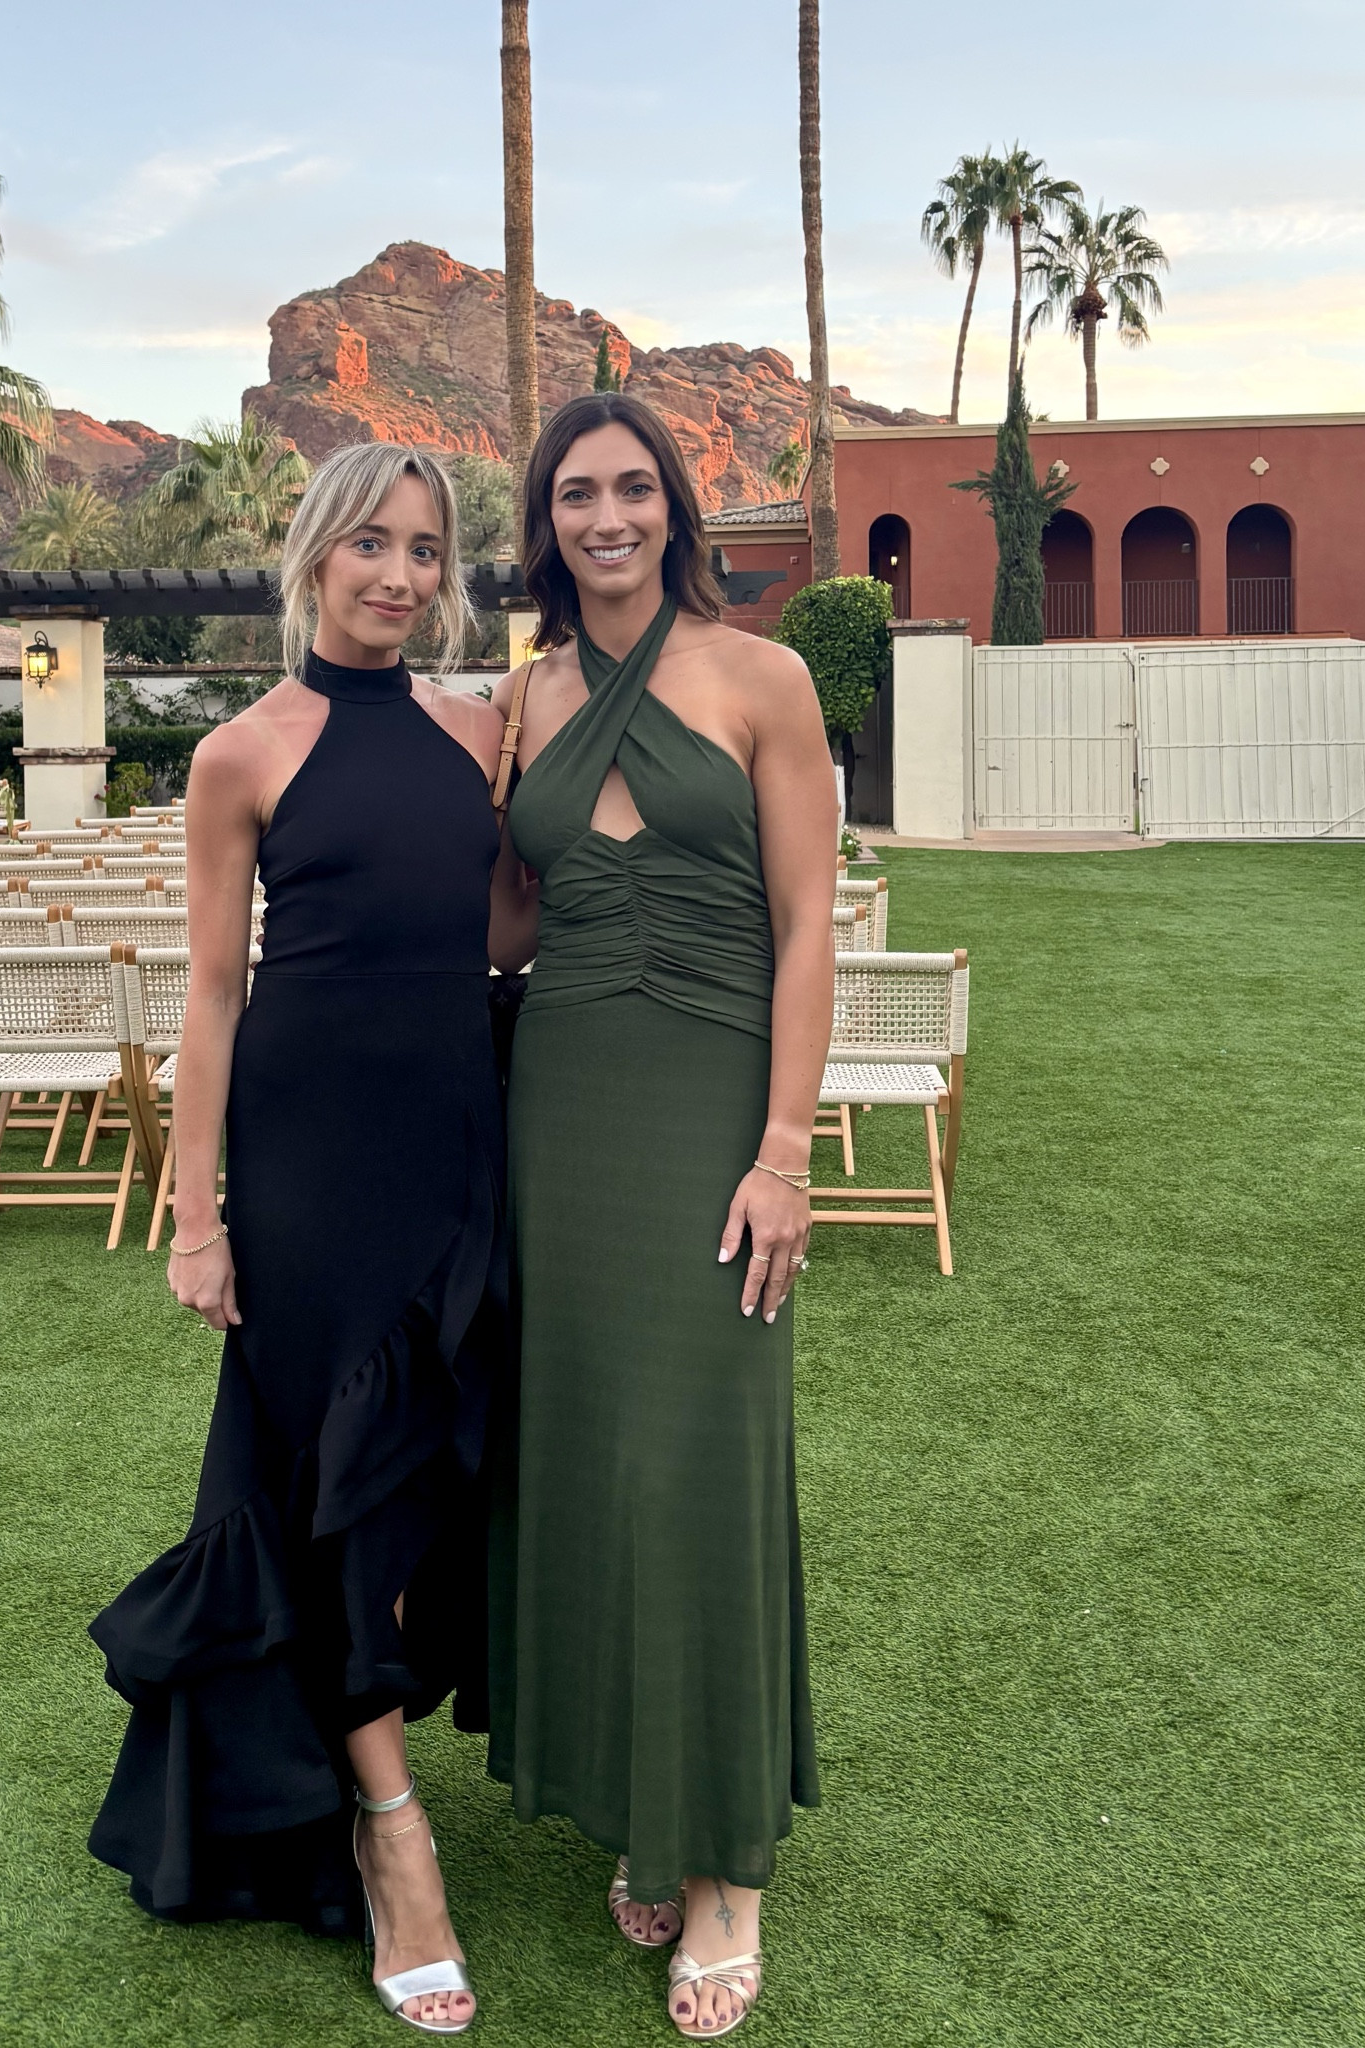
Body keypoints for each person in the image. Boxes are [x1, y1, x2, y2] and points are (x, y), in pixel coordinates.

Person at [88, 442, 506, 2036]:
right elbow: (211, 994)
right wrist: (194, 1214)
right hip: (306, 1160)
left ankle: (376, 1762)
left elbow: (507, 926)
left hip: (458, 1143)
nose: (397, 575)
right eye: (370, 545)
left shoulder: (479, 734)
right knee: (325, 1480)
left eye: (424, 549)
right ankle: (393, 1838)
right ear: (315, 556)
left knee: (437, 1466)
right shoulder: (239, 754)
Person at [487, 393, 838, 2039]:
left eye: (633, 488)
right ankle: (642, 1802)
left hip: (711, 1101)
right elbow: (507, 930)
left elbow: (808, 924)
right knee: (587, 1450)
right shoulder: (526, 694)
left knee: (693, 1457)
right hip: (562, 1102)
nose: (606, 516)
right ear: (545, 522)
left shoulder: (762, 679)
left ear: (675, 510)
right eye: (577, 493)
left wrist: (783, 1150)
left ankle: (725, 1870)